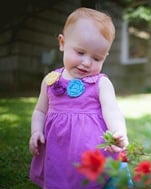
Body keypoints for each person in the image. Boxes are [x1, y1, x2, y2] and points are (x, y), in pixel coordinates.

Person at [29, 7, 130, 189]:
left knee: (93, 182)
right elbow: (40, 110)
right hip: (57, 149)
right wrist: (36, 131)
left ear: (105, 57)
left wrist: (119, 132)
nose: (86, 62)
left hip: (91, 150)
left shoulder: (101, 83)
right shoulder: (51, 81)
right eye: (80, 52)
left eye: (97, 58)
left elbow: (112, 110)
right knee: (60, 178)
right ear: (62, 43)